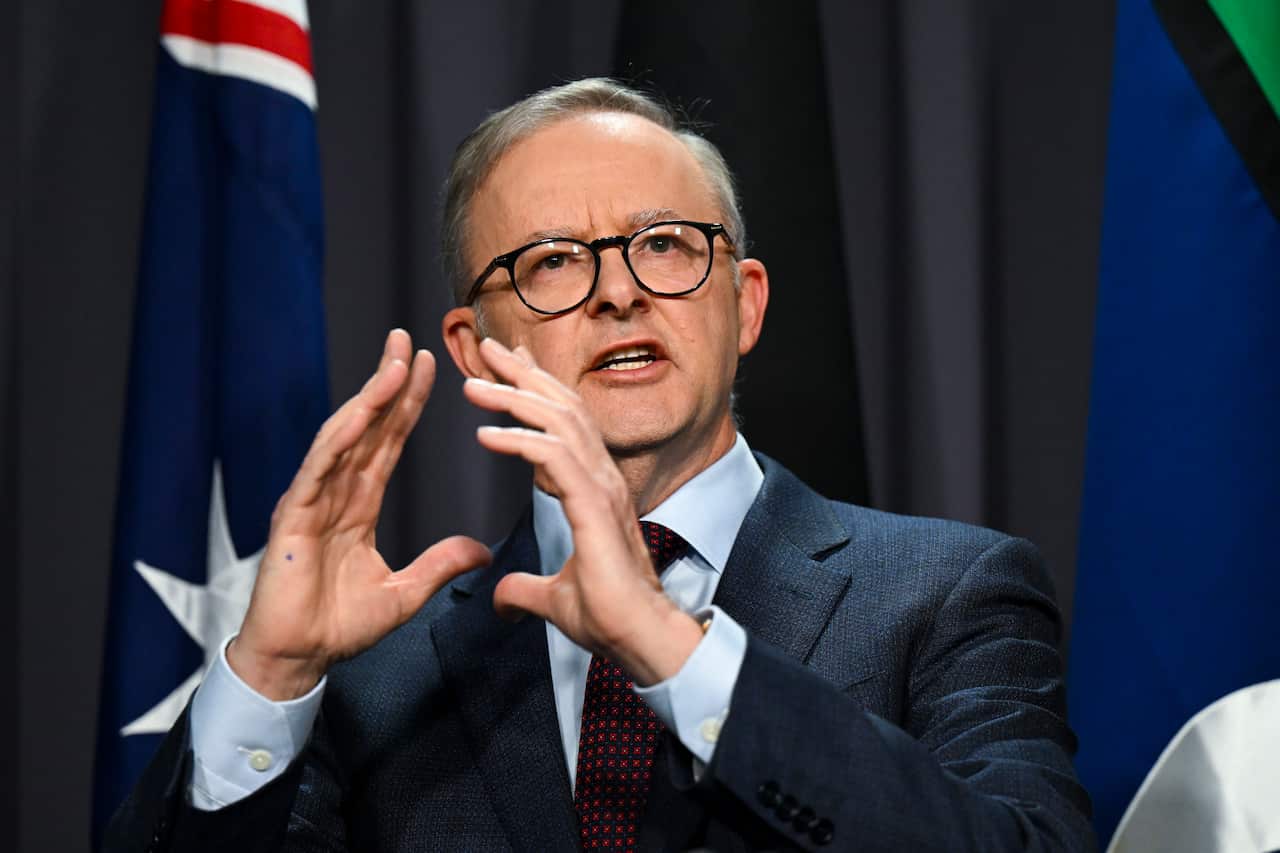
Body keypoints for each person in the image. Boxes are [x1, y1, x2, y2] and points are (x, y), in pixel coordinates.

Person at [105, 78, 1094, 852]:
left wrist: (669, 647)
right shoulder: (370, 681)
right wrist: (270, 675)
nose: (618, 293)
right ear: (471, 346)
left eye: (663, 244)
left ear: (743, 305)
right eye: (551, 262)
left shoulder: (949, 595)